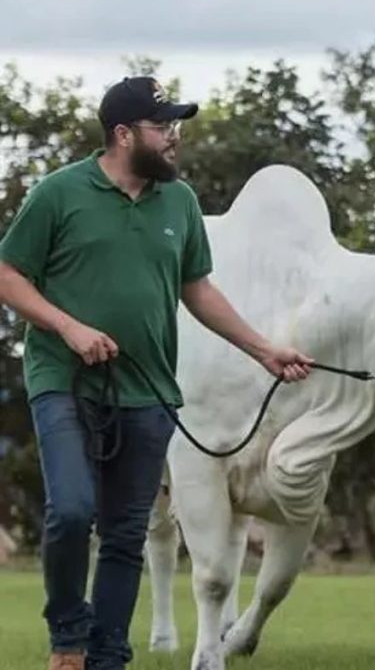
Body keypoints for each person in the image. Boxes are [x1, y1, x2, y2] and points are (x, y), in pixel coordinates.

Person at [0, 76, 314, 670]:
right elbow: (9, 274)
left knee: (124, 535)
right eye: (162, 127)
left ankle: (107, 657)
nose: (174, 138)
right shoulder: (59, 193)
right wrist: (68, 326)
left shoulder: (180, 202)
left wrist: (262, 349)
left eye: (175, 127)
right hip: (63, 381)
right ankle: (68, 634)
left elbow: (196, 288)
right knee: (70, 510)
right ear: (123, 135)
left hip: (148, 391)